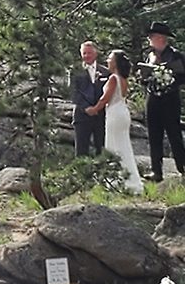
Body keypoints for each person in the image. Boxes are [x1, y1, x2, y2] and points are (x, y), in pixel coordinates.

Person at [86, 50, 143, 193]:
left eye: (110, 58)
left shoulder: (113, 78)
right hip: (123, 110)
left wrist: (95, 109)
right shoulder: (123, 79)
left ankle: (117, 181)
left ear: (115, 62)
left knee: (114, 145)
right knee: (124, 145)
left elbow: (105, 98)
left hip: (114, 113)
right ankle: (130, 179)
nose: (107, 60)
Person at [140, 22, 185, 182]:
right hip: (153, 98)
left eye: (151, 37)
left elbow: (182, 76)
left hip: (170, 98)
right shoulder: (150, 56)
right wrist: (145, 77)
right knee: (154, 135)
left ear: (160, 38)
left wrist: (170, 79)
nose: (149, 40)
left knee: (174, 133)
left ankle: (182, 167)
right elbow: (144, 79)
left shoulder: (175, 55)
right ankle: (156, 171)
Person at [71, 41, 110, 156]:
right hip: (82, 115)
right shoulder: (75, 71)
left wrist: (98, 107)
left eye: (89, 53)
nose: (86, 56)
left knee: (101, 148)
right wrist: (86, 108)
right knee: (81, 150)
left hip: (100, 115)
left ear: (95, 53)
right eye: (84, 53)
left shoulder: (105, 72)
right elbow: (73, 92)